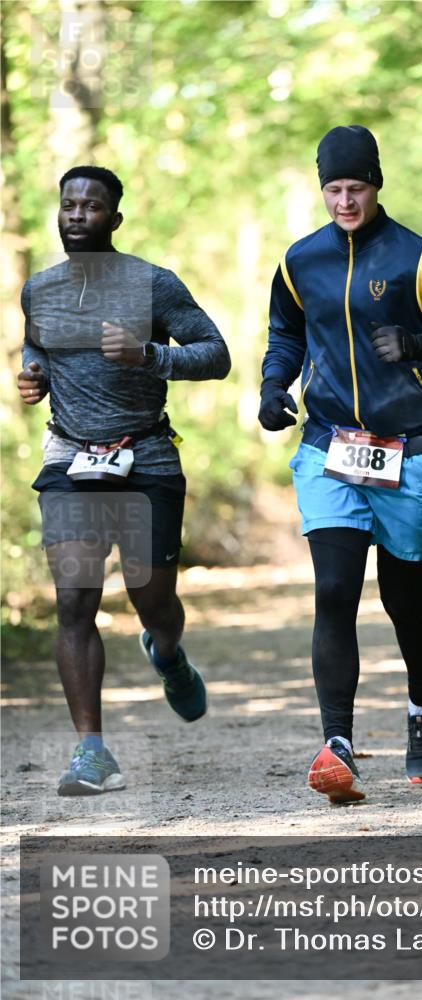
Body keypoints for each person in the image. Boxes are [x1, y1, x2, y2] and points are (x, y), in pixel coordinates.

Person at [259, 126, 422, 804]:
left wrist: (418, 344)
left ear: (375, 184)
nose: (344, 201)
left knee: (402, 595)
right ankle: (336, 743)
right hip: (329, 445)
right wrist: (272, 386)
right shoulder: (301, 261)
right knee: (334, 589)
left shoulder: (418, 258)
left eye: (355, 188)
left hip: (411, 449)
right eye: (332, 189)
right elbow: (286, 334)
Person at [18, 165, 231, 796]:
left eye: (91, 206)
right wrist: (33, 375)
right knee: (74, 601)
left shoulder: (153, 284)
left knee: (153, 601)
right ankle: (92, 751)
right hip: (70, 461)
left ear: (114, 218)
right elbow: (37, 347)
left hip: (146, 460)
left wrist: (150, 355)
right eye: (68, 204)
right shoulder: (40, 289)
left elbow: (216, 355)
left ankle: (166, 653)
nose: (77, 214)